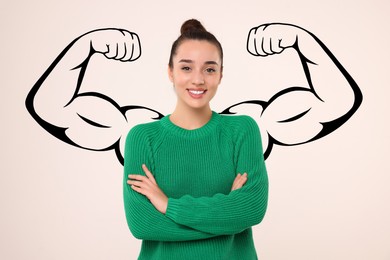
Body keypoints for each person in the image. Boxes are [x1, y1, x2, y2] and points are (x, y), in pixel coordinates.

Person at [123, 19, 269, 260]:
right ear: (170, 72)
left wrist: (168, 205)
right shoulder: (142, 138)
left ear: (221, 75)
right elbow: (143, 225)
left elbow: (251, 209)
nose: (198, 80)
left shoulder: (242, 130)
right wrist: (227, 215)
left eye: (210, 69)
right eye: (186, 68)